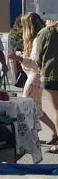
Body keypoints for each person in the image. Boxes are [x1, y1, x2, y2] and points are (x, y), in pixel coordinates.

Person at [8, 13, 58, 145]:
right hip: (35, 78)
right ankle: (52, 132)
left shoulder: (38, 39)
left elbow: (35, 63)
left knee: (29, 108)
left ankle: (33, 135)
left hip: (35, 78)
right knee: (35, 109)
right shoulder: (40, 37)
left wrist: (20, 59)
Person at [35, 19, 58, 153]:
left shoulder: (45, 33)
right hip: (52, 75)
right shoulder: (46, 32)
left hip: (51, 75)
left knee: (57, 110)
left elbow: (38, 57)